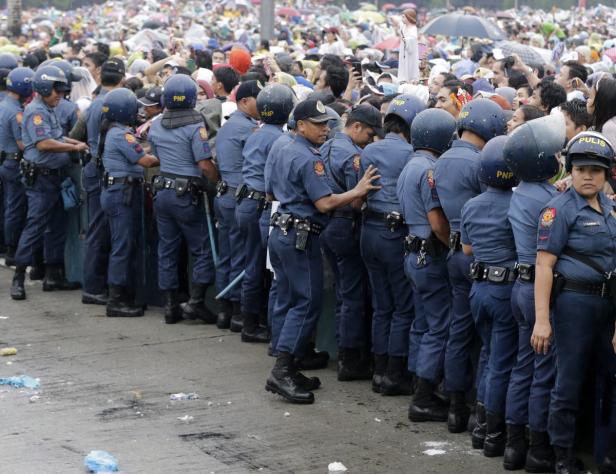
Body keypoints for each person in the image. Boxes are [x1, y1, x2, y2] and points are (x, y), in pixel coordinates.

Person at [265, 98, 380, 404]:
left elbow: (270, 190)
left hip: (281, 230)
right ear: (300, 124)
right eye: (316, 124)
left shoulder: (283, 146)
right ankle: (283, 369)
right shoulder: (307, 157)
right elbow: (324, 203)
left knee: (289, 299)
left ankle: (289, 363)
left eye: (326, 123)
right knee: (307, 302)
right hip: (300, 236)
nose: (323, 128)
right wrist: (356, 192)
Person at [531, 131, 616, 474]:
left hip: (607, 305)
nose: (587, 176)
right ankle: (562, 457)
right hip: (574, 305)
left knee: (609, 379)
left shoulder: (610, 207)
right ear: (570, 169)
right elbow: (544, 265)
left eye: (595, 171)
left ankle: (605, 453)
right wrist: (542, 319)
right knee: (567, 383)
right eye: (581, 169)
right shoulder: (558, 208)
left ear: (606, 173)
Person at [434, 98, 507, 434]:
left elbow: (435, 215)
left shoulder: (441, 159)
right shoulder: (481, 163)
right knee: (487, 343)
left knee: (458, 332)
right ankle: (481, 412)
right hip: (482, 256)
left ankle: (454, 409)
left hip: (454, 251)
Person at [502, 114, 562, 472]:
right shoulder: (549, 198)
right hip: (541, 291)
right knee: (543, 371)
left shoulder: (521, 191)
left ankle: (512, 444)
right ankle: (538, 446)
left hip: (519, 285)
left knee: (522, 367)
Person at [360, 94, 425, 396]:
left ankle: (378, 370)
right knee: (401, 306)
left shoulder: (371, 149)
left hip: (369, 229)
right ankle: (393, 373)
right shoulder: (412, 153)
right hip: (394, 232)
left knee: (382, 305)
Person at [460, 136, 519, 459]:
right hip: (505, 288)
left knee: (487, 354)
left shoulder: (472, 205)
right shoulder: (518, 204)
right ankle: (495, 434)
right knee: (501, 362)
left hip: (479, 287)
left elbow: (467, 249)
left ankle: (480, 424)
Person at [397, 108, 456, 422]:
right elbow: (437, 223)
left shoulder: (411, 165)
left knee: (422, 322)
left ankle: (418, 384)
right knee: (439, 327)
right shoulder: (430, 170)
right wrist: (454, 247)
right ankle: (423, 398)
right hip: (429, 256)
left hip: (412, 254)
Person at [10, 65, 87, 300]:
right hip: (40, 179)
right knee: (35, 227)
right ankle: (18, 278)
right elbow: (45, 144)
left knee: (57, 226)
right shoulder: (36, 111)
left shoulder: (48, 108)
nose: (60, 96)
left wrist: (73, 143)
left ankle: (54, 275)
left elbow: (55, 137)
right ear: (44, 88)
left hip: (54, 177)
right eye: (57, 91)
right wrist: (74, 146)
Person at [148, 74, 218, 325]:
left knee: (167, 249)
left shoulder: (156, 124)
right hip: (186, 194)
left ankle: (170, 306)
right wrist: (216, 181)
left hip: (163, 190)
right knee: (202, 249)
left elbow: (156, 156)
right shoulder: (195, 125)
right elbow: (204, 164)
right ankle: (196, 303)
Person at [320, 103, 383, 381]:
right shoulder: (352, 156)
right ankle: (350, 359)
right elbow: (357, 202)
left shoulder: (331, 144)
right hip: (346, 225)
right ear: (355, 126)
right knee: (353, 296)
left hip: (329, 225)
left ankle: (343, 351)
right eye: (370, 134)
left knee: (344, 293)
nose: (372, 140)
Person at [235, 84, 294, 343]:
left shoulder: (256, 133)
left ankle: (249, 321)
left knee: (252, 265)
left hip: (246, 201)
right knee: (269, 270)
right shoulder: (279, 139)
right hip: (263, 205)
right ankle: (264, 327)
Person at [99, 88, 159, 317]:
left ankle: (122, 294)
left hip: (118, 190)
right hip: (121, 192)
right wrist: (172, 152)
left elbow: (136, 151)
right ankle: (116, 300)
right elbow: (145, 160)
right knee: (122, 245)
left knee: (122, 243)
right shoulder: (120, 134)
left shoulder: (116, 131)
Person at [214, 80, 261, 330]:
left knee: (227, 254)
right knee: (242, 255)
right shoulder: (248, 129)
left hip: (225, 195)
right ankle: (237, 313)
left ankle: (224, 311)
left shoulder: (230, 125)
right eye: (257, 98)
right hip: (238, 198)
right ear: (244, 101)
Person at [81, 58, 125, 306]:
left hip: (95, 166)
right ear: (121, 79)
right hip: (100, 169)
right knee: (99, 230)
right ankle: (93, 287)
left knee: (100, 229)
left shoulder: (97, 103)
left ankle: (96, 285)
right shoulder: (109, 103)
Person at [0, 68, 35, 268]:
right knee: (15, 207)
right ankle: (12, 250)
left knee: (8, 205)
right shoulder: (16, 113)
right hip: (13, 163)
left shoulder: (4, 105)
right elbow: (22, 143)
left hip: (4, 160)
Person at [396, 9, 419, 83]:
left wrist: (407, 40)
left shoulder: (413, 28)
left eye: (403, 17)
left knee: (410, 66)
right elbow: (396, 21)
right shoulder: (404, 27)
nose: (402, 19)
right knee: (403, 64)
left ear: (408, 17)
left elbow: (413, 39)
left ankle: (410, 80)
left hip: (410, 52)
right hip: (404, 51)